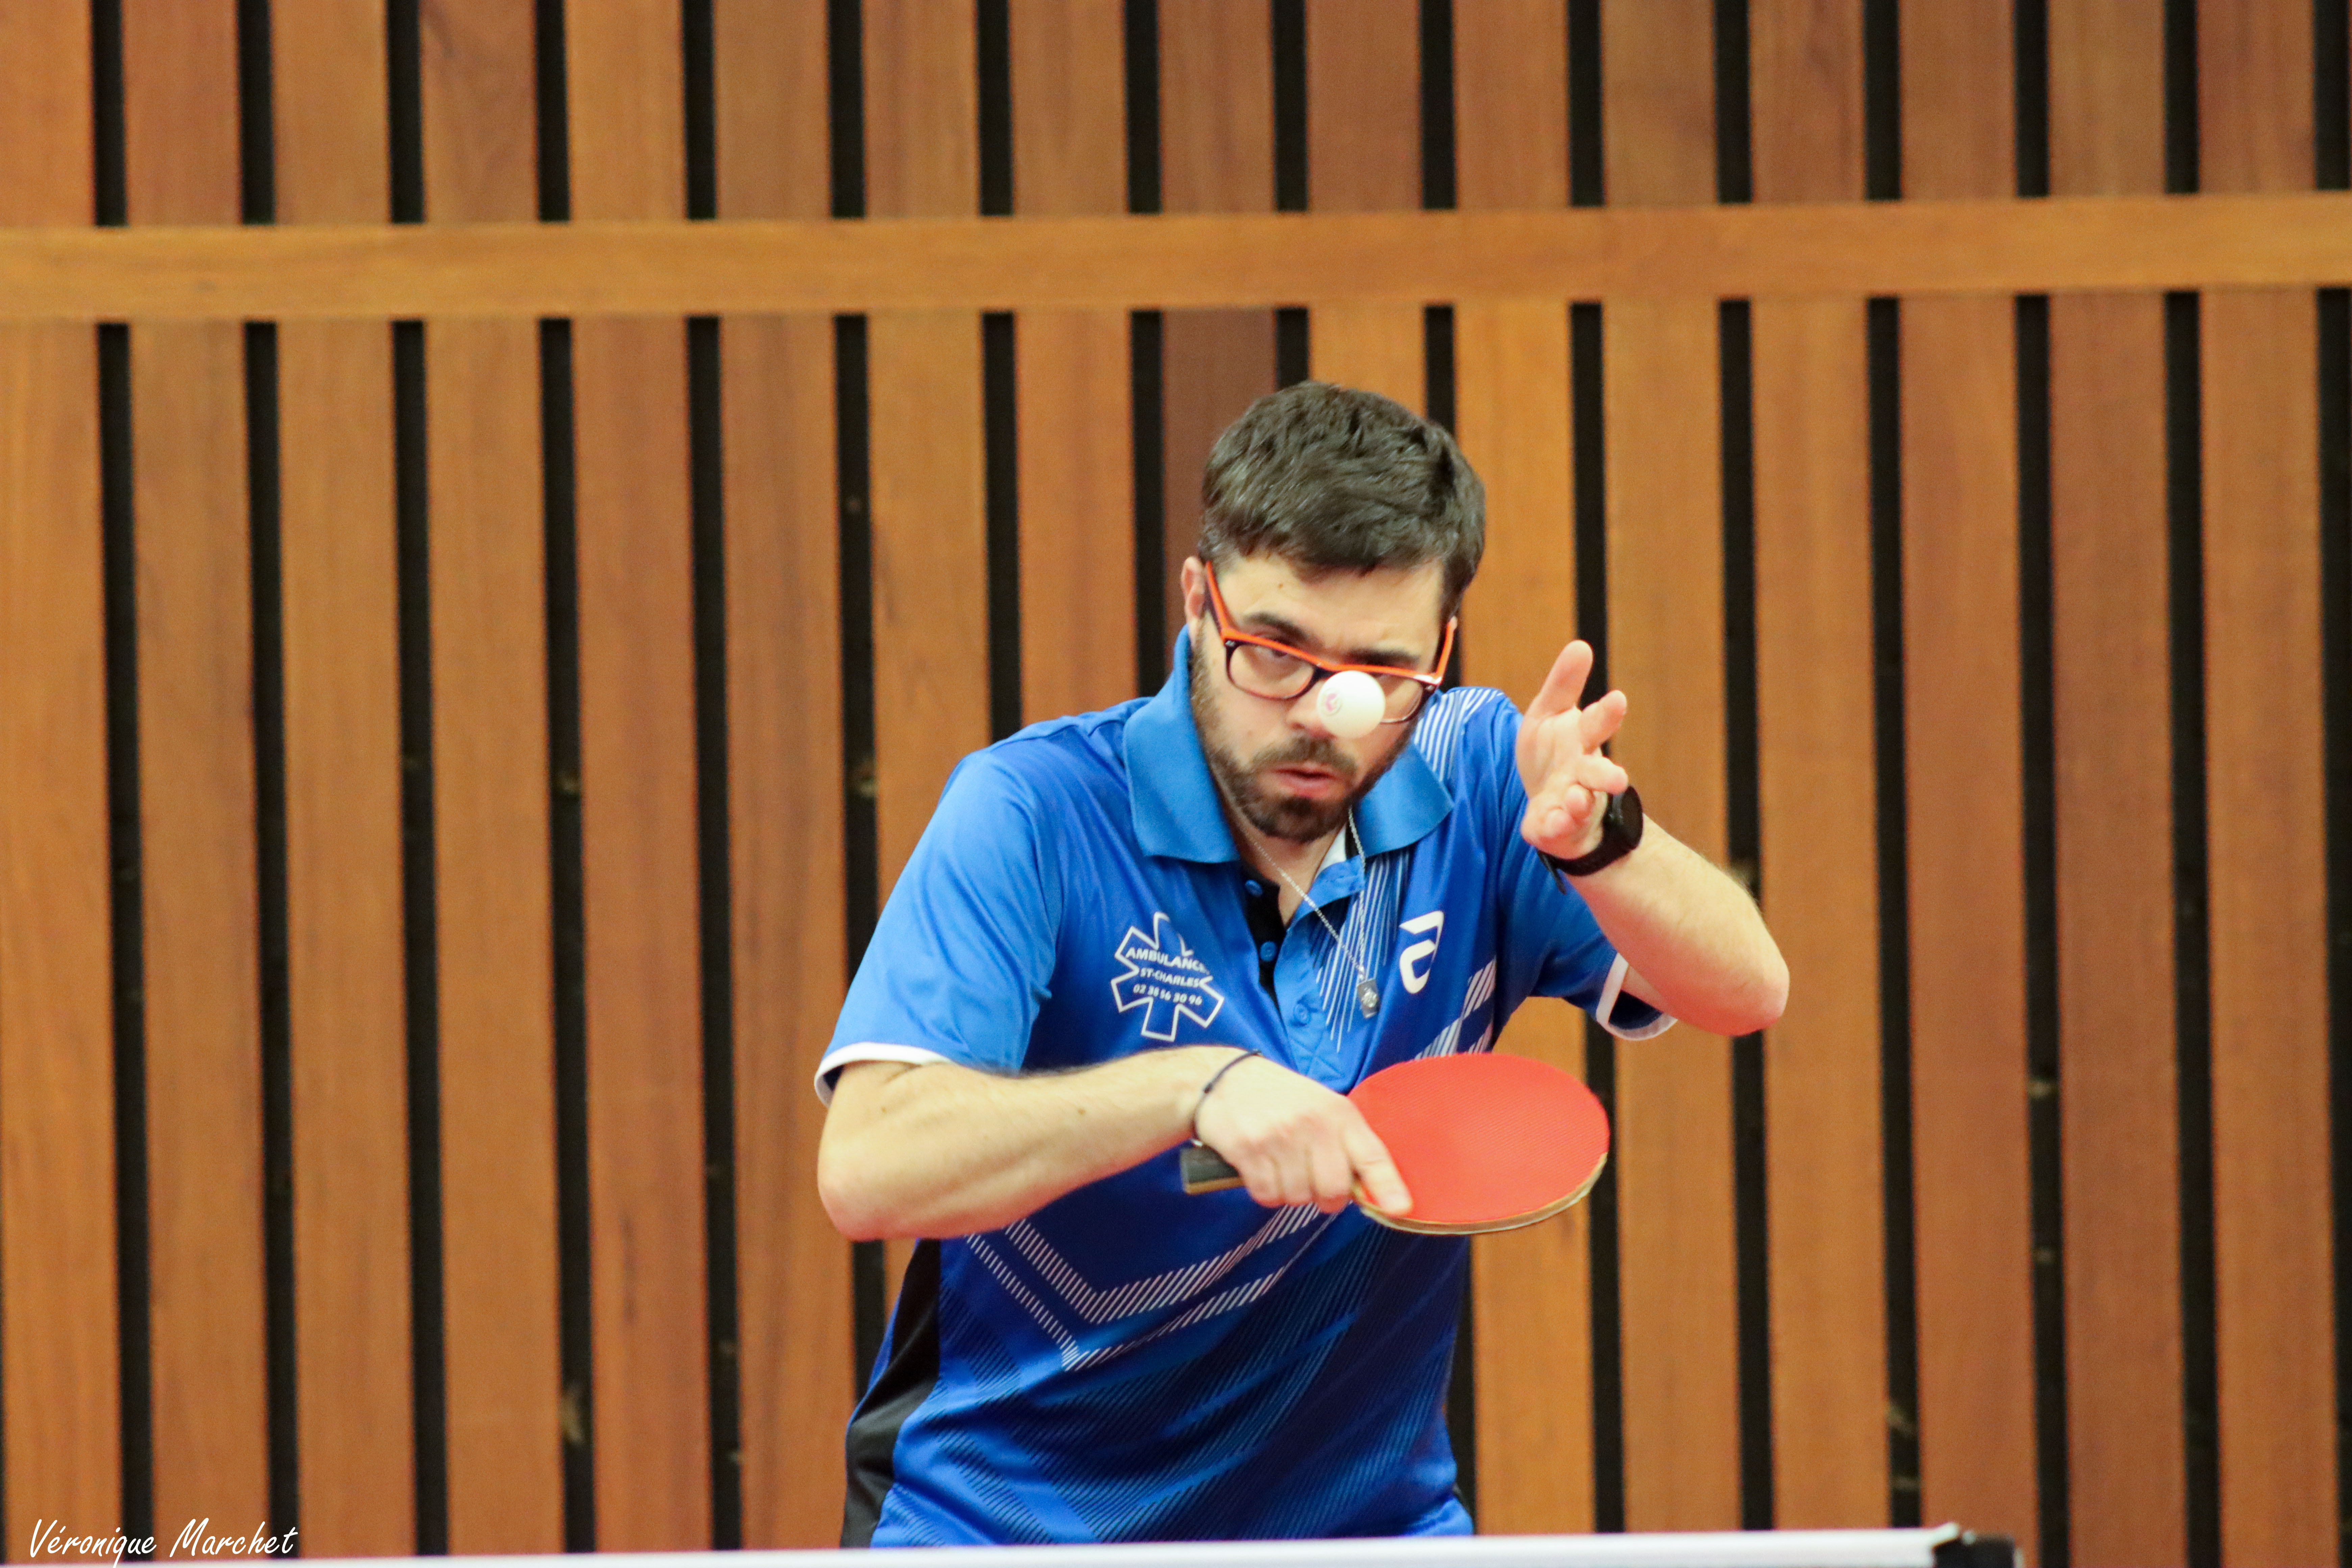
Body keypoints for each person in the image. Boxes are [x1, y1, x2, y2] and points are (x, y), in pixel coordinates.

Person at [816, 381, 1787, 1546]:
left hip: (1363, 1533)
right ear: (1199, 600)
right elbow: (867, 1169)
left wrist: (1605, 845)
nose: (1324, 714)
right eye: (1275, 653)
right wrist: (1194, 1087)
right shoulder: (1036, 813)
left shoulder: (1485, 780)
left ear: (1440, 650)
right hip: (1005, 1529)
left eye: (1379, 670)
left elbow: (1746, 991)